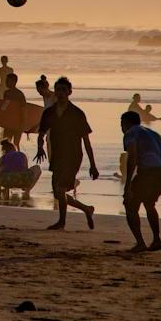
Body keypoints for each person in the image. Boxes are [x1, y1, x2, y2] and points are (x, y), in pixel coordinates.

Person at [33, 76, 97, 230]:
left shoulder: (77, 114)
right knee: (57, 193)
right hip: (57, 155)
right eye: (58, 90)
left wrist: (93, 165)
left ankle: (62, 222)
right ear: (55, 92)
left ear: (70, 92)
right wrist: (40, 147)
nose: (60, 93)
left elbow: (86, 141)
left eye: (63, 90)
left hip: (73, 156)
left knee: (60, 189)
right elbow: (41, 133)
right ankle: (86, 209)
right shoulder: (49, 112)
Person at [120, 110, 161, 252]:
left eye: (121, 124)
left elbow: (132, 158)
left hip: (149, 172)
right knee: (149, 204)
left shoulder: (130, 133)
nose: (121, 128)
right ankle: (156, 240)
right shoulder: (155, 135)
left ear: (126, 123)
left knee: (129, 204)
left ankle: (140, 242)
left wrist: (127, 185)